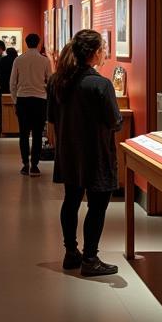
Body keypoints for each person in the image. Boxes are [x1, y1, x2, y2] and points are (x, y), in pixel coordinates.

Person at [47, 30, 124, 276]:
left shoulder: (58, 81)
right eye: (102, 49)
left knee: (71, 201)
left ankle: (71, 252)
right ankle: (90, 258)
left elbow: (51, 117)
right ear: (94, 53)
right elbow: (114, 121)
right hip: (96, 152)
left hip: (69, 150)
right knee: (97, 205)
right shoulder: (100, 84)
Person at [10, 32, 50, 175]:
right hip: (40, 100)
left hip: (23, 99)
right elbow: (49, 81)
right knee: (38, 134)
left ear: (26, 43)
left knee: (24, 133)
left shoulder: (19, 60)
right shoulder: (45, 61)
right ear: (38, 43)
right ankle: (35, 165)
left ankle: (25, 164)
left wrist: (15, 100)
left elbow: (12, 83)